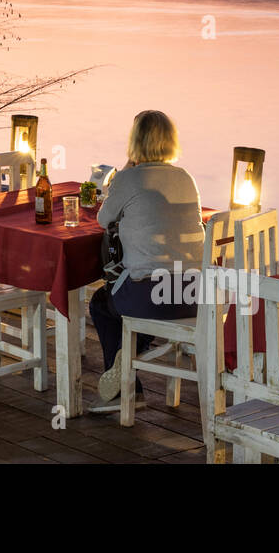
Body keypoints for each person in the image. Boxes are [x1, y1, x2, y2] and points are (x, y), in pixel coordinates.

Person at [89, 110, 205, 406]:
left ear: (135, 140)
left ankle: (127, 389)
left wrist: (129, 165)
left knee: (102, 304)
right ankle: (128, 363)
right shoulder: (186, 178)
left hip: (151, 298)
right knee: (130, 299)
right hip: (192, 295)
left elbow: (104, 219)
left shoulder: (128, 178)